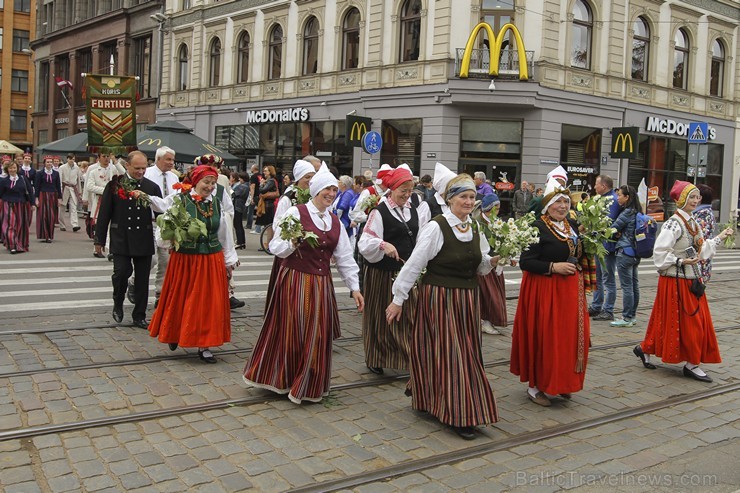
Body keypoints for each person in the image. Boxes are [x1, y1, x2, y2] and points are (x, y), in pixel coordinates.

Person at [386, 174, 500, 440]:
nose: (469, 201)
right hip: (440, 299)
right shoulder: (437, 227)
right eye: (463, 196)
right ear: (450, 200)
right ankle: (458, 413)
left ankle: (433, 399)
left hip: (467, 301)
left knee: (463, 353)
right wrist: (397, 299)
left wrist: (495, 260)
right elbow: (414, 263)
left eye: (472, 197)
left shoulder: (474, 227)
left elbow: (480, 265)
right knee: (452, 355)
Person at [243, 165, 364, 403]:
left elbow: (344, 258)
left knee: (317, 335)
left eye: (333, 189)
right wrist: (293, 242)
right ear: (316, 190)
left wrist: (355, 288)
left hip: (321, 285)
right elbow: (276, 247)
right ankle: (283, 377)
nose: (330, 194)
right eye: (326, 189)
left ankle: (307, 383)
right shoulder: (297, 213)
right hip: (295, 281)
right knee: (292, 331)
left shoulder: (334, 221)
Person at [633, 181, 733, 383]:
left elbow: (700, 250)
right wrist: (679, 261)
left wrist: (720, 237)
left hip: (691, 280)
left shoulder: (693, 222)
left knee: (685, 321)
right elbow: (660, 253)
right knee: (681, 322)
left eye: (697, 197)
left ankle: (648, 349)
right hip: (675, 281)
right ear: (681, 200)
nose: (696, 201)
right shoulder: (673, 223)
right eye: (691, 197)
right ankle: (690, 363)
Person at [511, 178, 590, 407]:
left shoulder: (571, 226)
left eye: (566, 202)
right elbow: (526, 262)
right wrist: (553, 267)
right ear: (547, 205)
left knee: (567, 338)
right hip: (544, 290)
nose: (563, 206)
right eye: (558, 203)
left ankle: (562, 381)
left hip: (569, 292)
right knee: (546, 337)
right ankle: (536, 386)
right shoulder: (537, 227)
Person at [147, 165, 238, 363]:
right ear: (196, 182)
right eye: (206, 182)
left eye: (213, 183)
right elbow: (165, 225)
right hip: (186, 259)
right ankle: (174, 333)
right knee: (181, 298)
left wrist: (228, 260)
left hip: (211, 259)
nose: (210, 187)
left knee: (207, 303)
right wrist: (170, 239)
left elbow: (224, 233)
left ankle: (204, 344)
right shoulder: (180, 200)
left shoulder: (216, 203)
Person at [359, 166, 419, 375]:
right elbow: (365, 241)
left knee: (408, 316)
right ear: (392, 189)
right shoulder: (379, 211)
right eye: (403, 189)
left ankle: (408, 357)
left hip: (406, 272)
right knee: (379, 316)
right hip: (382, 273)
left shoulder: (412, 209)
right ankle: (376, 357)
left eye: (410, 190)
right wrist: (384, 245)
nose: (407, 194)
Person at [94, 151, 162, 329]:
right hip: (121, 237)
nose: (141, 172)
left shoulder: (152, 187)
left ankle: (139, 315)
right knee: (122, 273)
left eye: (144, 168)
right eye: (137, 168)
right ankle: (118, 300)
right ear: (127, 166)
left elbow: (161, 213)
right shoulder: (115, 185)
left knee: (142, 279)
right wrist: (99, 240)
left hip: (143, 238)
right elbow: (104, 214)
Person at [127, 146, 180, 307]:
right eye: (168, 159)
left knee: (165, 260)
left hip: (166, 223)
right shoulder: (146, 173)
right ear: (158, 159)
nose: (171, 163)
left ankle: (160, 294)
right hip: (148, 223)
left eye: (172, 160)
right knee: (151, 259)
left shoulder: (174, 178)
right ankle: (134, 280)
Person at [474, 193, 508, 335]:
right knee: (488, 295)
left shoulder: (496, 222)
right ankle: (484, 321)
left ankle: (490, 320)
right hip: (486, 264)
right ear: (489, 208)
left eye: (498, 208)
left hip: (496, 263)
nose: (498, 210)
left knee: (495, 294)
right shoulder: (479, 222)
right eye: (496, 207)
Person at [588, 174, 620, 321]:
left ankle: (608, 309)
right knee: (598, 277)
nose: (594, 187)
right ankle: (596, 306)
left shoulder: (612, 200)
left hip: (607, 245)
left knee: (607, 278)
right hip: (599, 244)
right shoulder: (602, 198)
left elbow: (607, 222)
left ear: (604, 186)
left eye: (596, 184)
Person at [610, 185, 642, 328]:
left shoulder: (626, 213)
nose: (618, 198)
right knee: (634, 285)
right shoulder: (637, 211)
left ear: (627, 197)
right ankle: (632, 316)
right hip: (636, 252)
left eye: (620, 195)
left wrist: (614, 232)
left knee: (627, 286)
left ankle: (627, 317)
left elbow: (612, 229)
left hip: (624, 252)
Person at [83, 152, 126, 254]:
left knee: (112, 223)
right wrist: (106, 191)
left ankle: (109, 249)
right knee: (100, 224)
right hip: (99, 200)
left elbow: (124, 174)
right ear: (98, 158)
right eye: (104, 156)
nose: (106, 159)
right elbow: (89, 186)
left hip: (113, 200)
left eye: (108, 156)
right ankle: (97, 247)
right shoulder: (94, 171)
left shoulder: (113, 169)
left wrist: (115, 161)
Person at [0, 159, 34, 253]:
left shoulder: (23, 179)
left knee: (21, 225)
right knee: (10, 225)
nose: (12, 170)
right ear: (7, 169)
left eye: (14, 168)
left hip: (21, 204)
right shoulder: (4, 181)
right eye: (10, 168)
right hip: (8, 204)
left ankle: (20, 244)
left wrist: (32, 203)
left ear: (17, 168)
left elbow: (30, 191)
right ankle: (13, 245)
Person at [34, 156, 62, 243]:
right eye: (48, 162)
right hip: (43, 194)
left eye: (50, 162)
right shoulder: (40, 173)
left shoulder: (56, 174)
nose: (49, 164)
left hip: (53, 195)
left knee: (51, 216)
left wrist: (59, 198)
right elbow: (37, 186)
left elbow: (58, 186)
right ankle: (45, 235)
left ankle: (50, 235)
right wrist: (36, 198)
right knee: (43, 215)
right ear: (44, 163)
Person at [692, 184, 716, 282]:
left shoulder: (703, 214)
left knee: (695, 292)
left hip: (700, 261)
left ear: (700, 198)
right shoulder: (705, 212)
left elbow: (698, 237)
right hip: (701, 260)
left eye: (694, 196)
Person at [58, 154, 82, 232]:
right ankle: (62, 224)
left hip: (73, 188)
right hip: (64, 188)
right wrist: (59, 190)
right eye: (70, 159)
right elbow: (59, 179)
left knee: (73, 206)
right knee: (62, 206)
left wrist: (79, 191)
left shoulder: (77, 168)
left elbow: (78, 180)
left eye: (73, 159)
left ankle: (75, 224)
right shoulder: (62, 167)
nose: (72, 160)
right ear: (67, 159)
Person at [255, 165, 279, 234]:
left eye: (265, 171)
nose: (264, 172)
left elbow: (262, 190)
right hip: (268, 204)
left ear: (270, 172)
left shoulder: (271, 181)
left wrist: (261, 184)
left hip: (269, 205)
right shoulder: (269, 181)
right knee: (268, 226)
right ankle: (269, 242)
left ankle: (269, 243)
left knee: (269, 226)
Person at [231, 172, 249, 249]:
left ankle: (240, 242)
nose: (239, 180)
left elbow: (234, 194)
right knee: (239, 225)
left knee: (237, 224)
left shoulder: (243, 186)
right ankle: (241, 242)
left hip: (238, 206)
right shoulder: (246, 185)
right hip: (240, 206)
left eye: (240, 178)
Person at [247, 164, 261, 232]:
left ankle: (249, 225)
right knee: (260, 210)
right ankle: (259, 227)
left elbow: (252, 187)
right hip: (260, 195)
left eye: (251, 168)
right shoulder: (261, 175)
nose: (250, 169)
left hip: (255, 195)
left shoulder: (253, 176)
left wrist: (251, 197)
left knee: (250, 210)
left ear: (254, 169)